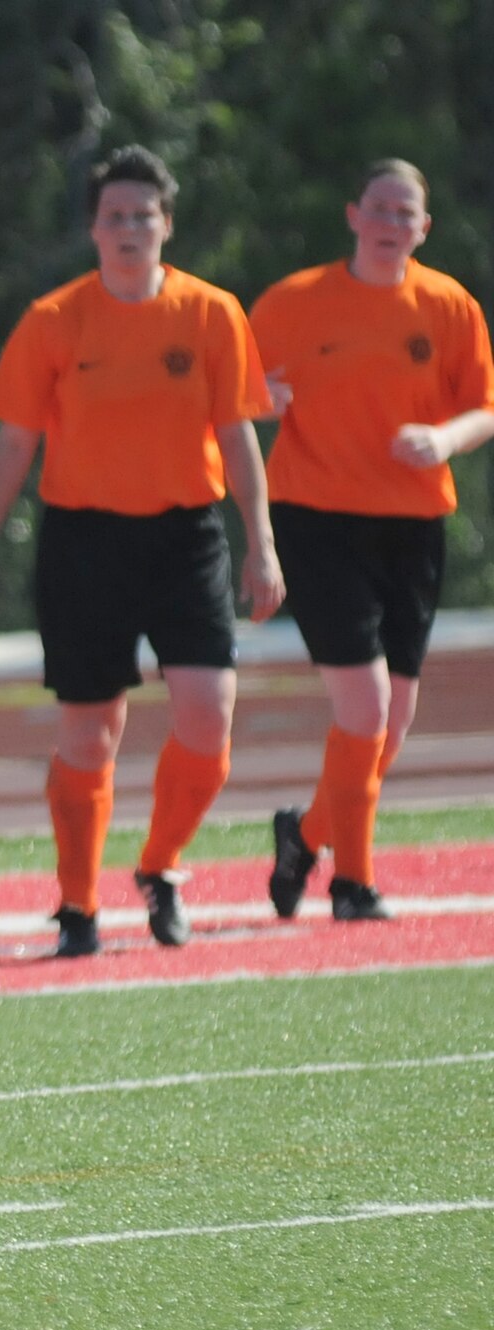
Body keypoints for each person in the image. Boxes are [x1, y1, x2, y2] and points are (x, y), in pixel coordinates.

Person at [0, 145, 284, 957]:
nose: (129, 228)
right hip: (84, 540)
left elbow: (238, 435)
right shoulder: (53, 320)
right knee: (89, 736)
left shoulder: (212, 312)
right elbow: (13, 446)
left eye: (143, 214)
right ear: (92, 228)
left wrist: (263, 544)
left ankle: (161, 864)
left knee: (209, 718)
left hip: (187, 536)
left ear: (166, 224)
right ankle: (77, 904)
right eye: (114, 215)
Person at [251, 159, 494, 920]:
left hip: (413, 522)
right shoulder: (294, 302)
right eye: (380, 209)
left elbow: (483, 408)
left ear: (424, 228)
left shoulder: (448, 305)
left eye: (407, 214)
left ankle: (307, 833)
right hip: (317, 516)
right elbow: (228, 395)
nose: (392, 224)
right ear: (354, 216)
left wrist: (445, 437)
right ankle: (353, 882)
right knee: (366, 706)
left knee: (393, 723)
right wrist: (265, 399)